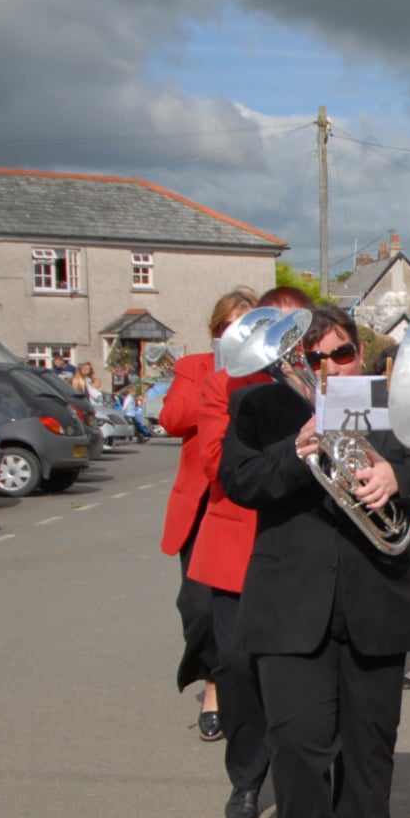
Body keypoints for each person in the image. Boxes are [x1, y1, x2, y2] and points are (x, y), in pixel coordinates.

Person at [220, 306, 410, 818]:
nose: (325, 368)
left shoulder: (388, 405)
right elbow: (239, 481)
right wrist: (297, 451)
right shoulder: (260, 409)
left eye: (339, 354)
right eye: (312, 358)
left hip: (376, 596)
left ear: (359, 355)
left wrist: (397, 476)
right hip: (290, 603)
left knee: (371, 746)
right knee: (297, 743)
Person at [188, 285, 313, 818]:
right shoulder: (225, 385)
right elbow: (218, 463)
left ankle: (304, 784)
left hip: (305, 550)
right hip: (238, 547)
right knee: (238, 670)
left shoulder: (320, 380)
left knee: (303, 679)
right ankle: (246, 777)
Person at [160, 287, 256, 740]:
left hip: (248, 498)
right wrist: (216, 375)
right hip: (203, 504)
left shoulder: (265, 371)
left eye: (246, 327)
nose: (235, 336)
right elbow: (173, 419)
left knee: (248, 605)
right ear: (216, 331)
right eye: (227, 328)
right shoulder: (194, 367)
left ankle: (248, 683)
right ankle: (214, 681)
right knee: (198, 607)